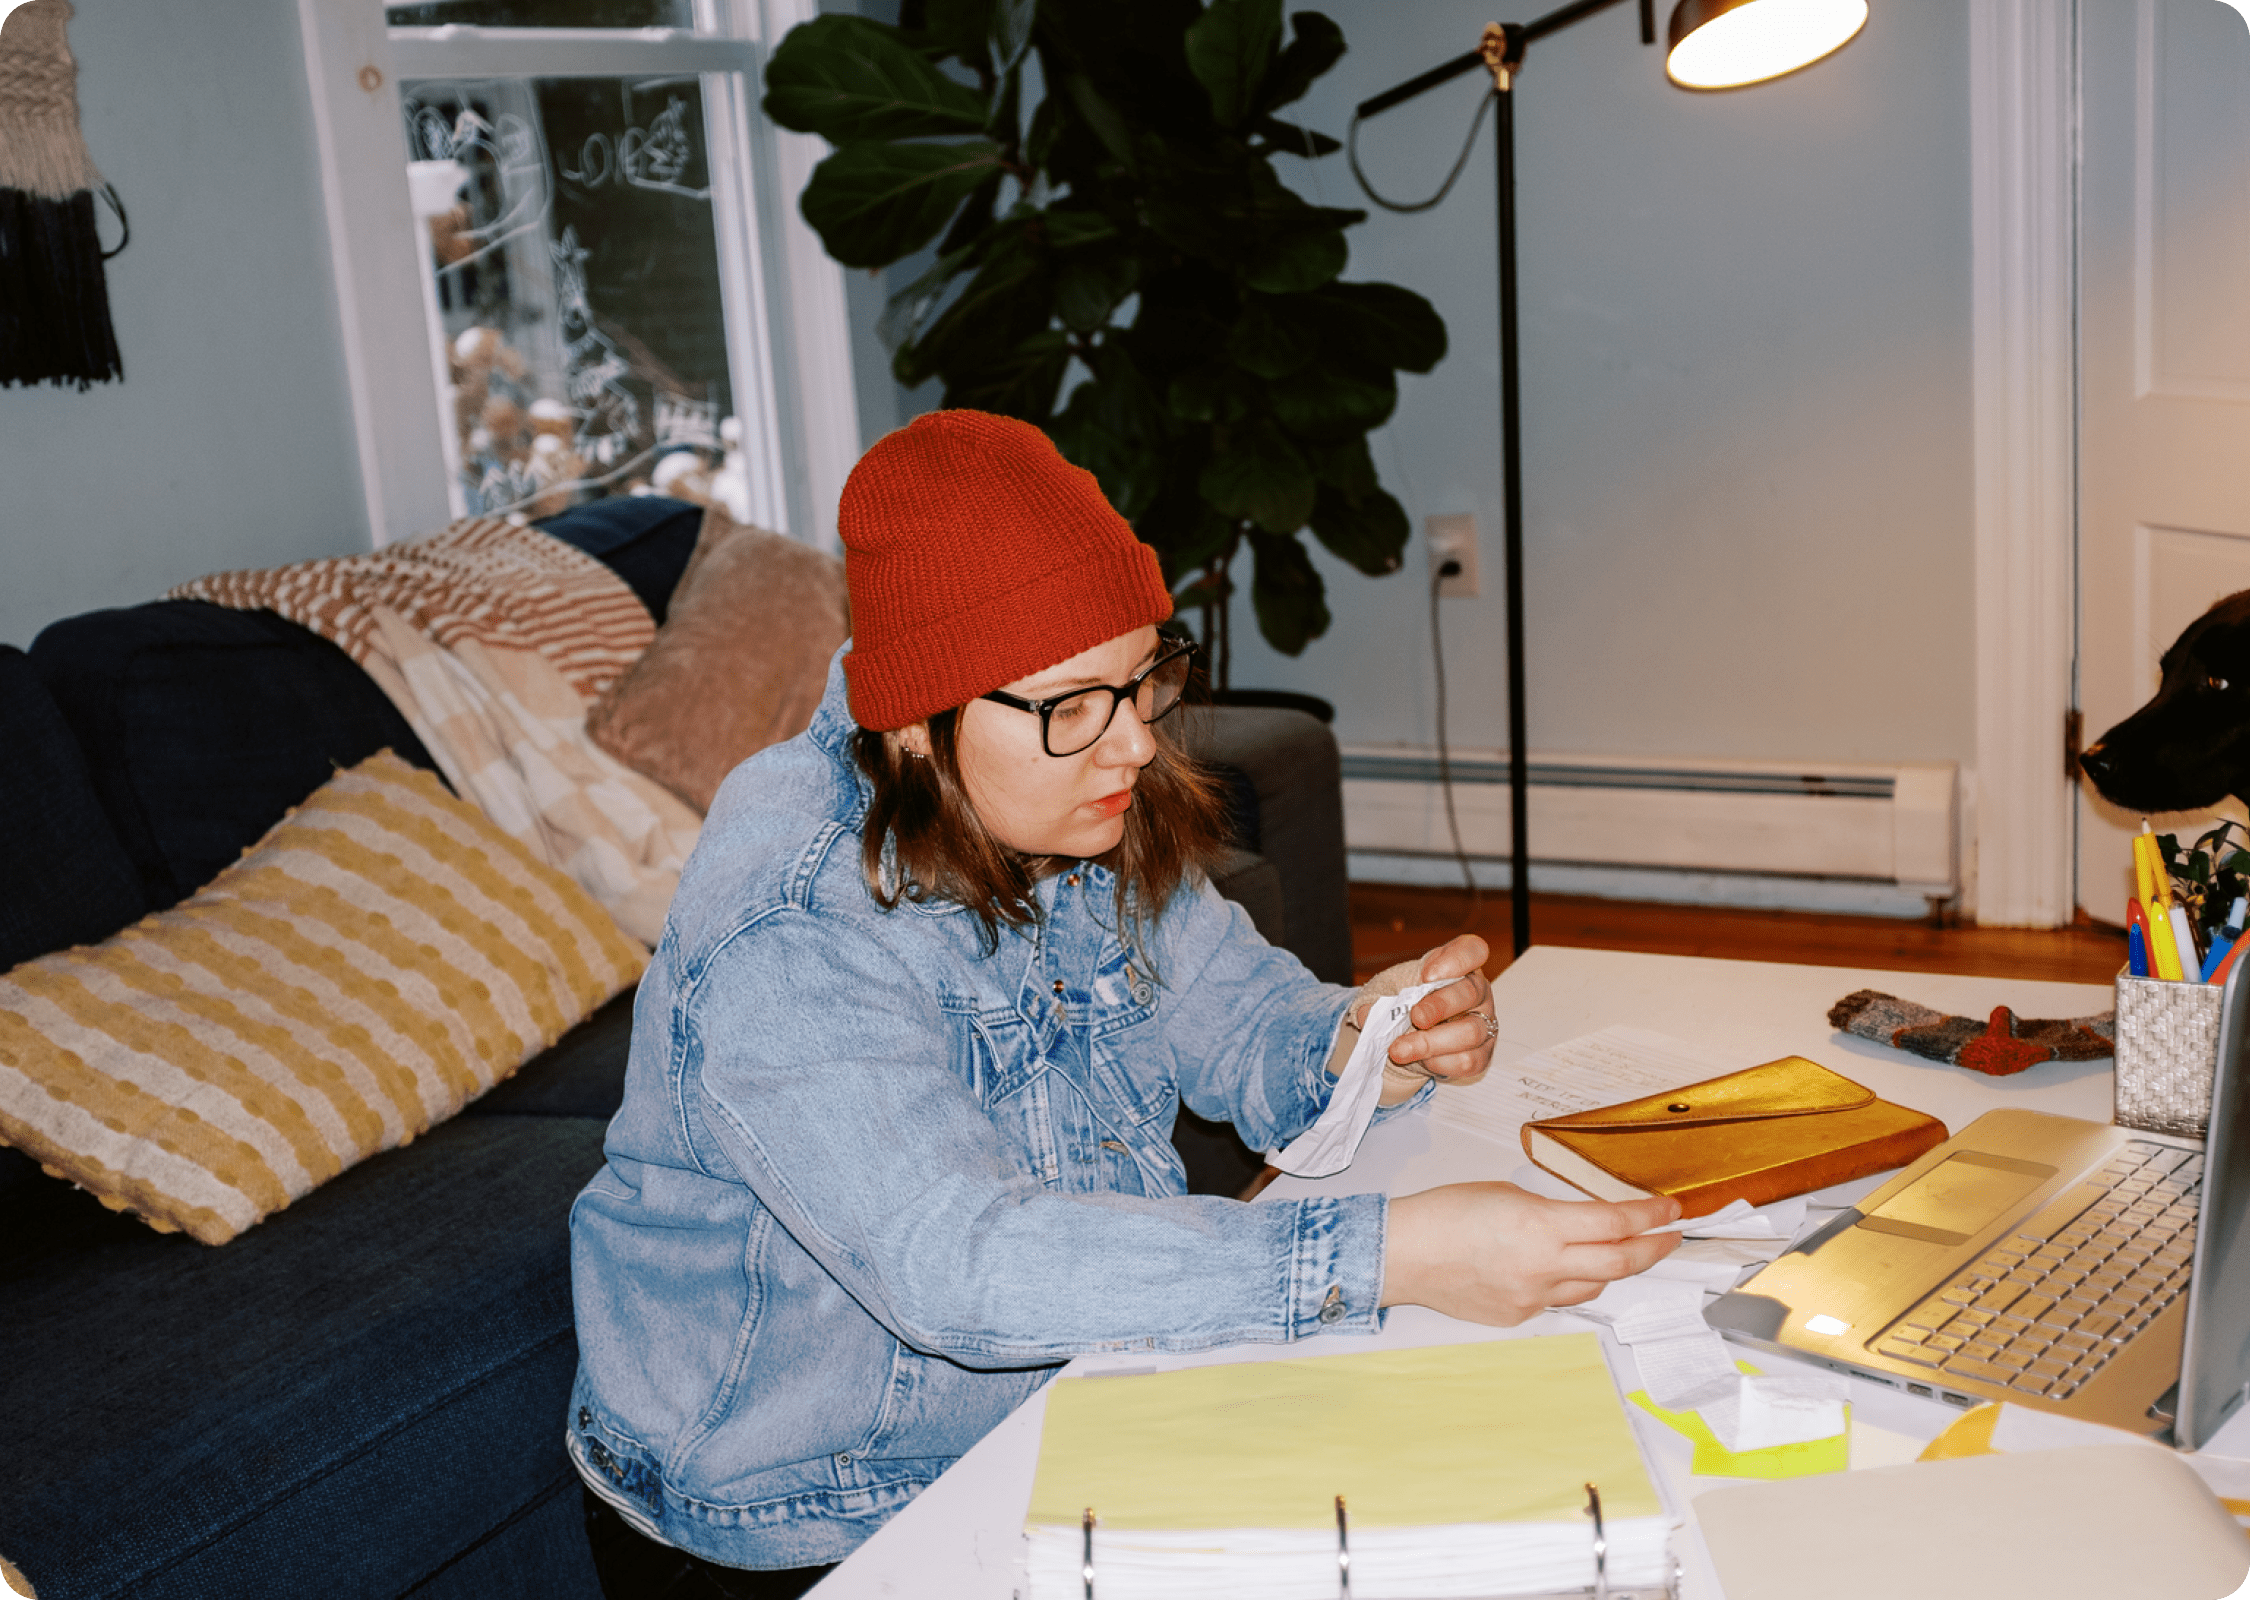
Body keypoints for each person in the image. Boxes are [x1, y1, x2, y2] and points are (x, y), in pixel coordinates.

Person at [566, 411, 1680, 1598]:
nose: (1136, 742)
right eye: (1078, 705)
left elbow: (1243, 1021)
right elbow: (964, 1266)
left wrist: (1367, 1039)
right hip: (801, 1512)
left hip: (1066, 1399)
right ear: (914, 718)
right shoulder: (792, 922)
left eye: (1146, 676)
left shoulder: (1063, 793)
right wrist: (1390, 1252)